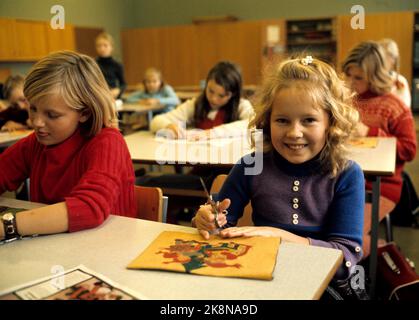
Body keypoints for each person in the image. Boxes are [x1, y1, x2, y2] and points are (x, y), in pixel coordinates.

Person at [193, 56, 366, 291]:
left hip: (321, 286)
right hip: (258, 279)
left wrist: (278, 237)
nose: (295, 133)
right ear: (267, 121)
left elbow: (346, 260)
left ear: (331, 123)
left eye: (309, 120)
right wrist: (208, 221)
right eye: (282, 120)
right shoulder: (251, 165)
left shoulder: (346, 174)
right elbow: (220, 227)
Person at [0, 51, 136, 241]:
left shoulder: (107, 142)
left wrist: (9, 226)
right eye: (33, 109)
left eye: (52, 115)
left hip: (107, 252)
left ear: (85, 113)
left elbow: (89, 208)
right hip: (55, 249)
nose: (37, 122)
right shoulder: (37, 142)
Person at [342, 41, 417, 255]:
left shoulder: (394, 106)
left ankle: (387, 254)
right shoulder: (346, 101)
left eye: (358, 78)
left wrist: (370, 132)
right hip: (343, 179)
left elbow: (409, 149)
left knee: (347, 238)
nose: (350, 83)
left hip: (379, 186)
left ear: (375, 77)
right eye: (348, 75)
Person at [150, 61, 254, 140]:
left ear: (233, 94)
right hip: (201, 162)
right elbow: (155, 121)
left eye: (221, 96)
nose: (213, 98)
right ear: (206, 84)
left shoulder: (241, 105)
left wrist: (212, 133)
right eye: (210, 91)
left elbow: (253, 124)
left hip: (230, 164)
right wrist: (169, 126)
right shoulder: (195, 104)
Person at [379, 38, 411, 108]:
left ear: (394, 60)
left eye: (387, 55)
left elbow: (404, 106)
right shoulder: (370, 78)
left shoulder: (400, 81)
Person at [95, 32, 126, 100]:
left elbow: (123, 84)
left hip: (113, 97)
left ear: (111, 47)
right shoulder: (93, 64)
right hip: (98, 97)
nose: (102, 48)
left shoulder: (117, 64)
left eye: (105, 45)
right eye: (99, 46)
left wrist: (118, 90)